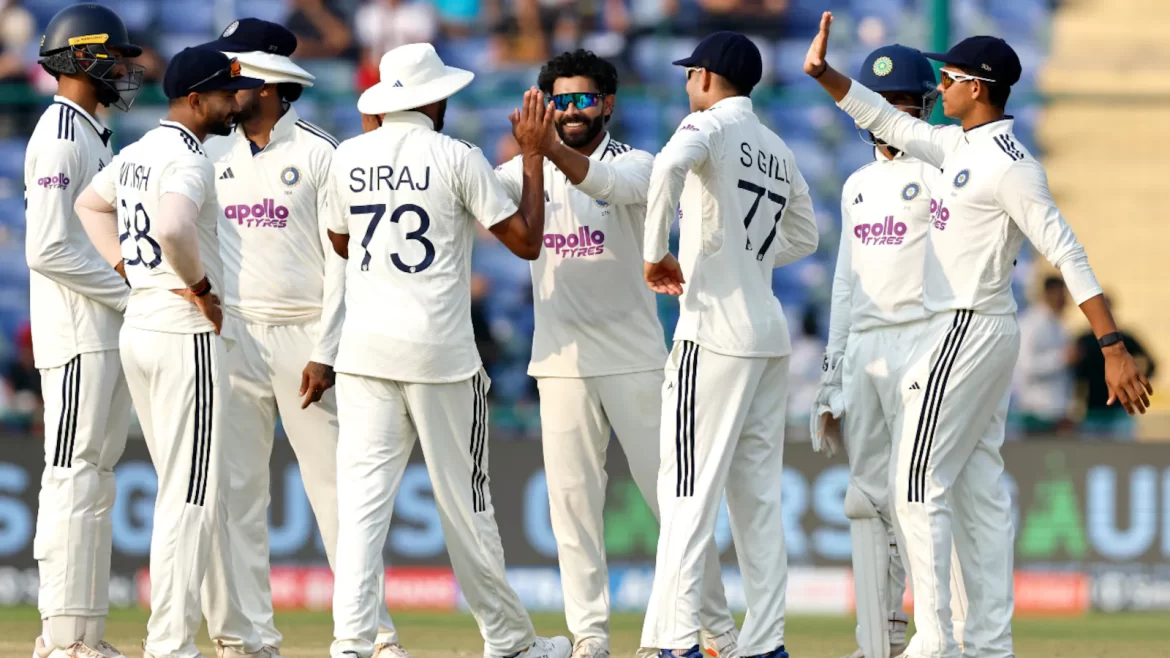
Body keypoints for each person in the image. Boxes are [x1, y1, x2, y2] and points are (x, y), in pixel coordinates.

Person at [804, 12, 1153, 658]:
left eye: (949, 77)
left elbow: (1067, 251)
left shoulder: (1011, 166)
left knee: (914, 482)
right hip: (971, 330)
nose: (940, 86)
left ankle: (934, 643)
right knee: (977, 487)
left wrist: (1111, 346)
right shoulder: (958, 146)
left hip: (968, 324)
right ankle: (989, 644)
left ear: (978, 87)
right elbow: (890, 122)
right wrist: (826, 75)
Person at [323, 43, 569, 658]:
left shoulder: (347, 156)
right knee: (467, 507)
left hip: (363, 353)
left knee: (361, 509)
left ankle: (351, 644)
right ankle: (509, 642)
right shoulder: (456, 155)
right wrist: (533, 158)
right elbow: (527, 241)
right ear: (433, 99)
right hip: (439, 355)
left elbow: (339, 238)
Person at [493, 49, 739, 658]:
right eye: (559, 101)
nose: (571, 111)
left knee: (672, 505)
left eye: (582, 100)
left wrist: (542, 149)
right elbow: (472, 198)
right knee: (573, 508)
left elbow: (601, 182)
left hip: (634, 360)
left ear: (607, 103)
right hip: (561, 362)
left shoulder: (641, 164)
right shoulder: (527, 171)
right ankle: (590, 637)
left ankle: (718, 632)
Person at [199, 19, 404, 658]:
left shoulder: (323, 154)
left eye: (236, 77)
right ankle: (251, 640)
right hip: (233, 335)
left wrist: (327, 349)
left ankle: (374, 638)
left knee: (338, 494)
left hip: (306, 338)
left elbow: (344, 261)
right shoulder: (209, 154)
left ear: (267, 86)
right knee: (236, 494)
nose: (225, 87)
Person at [75, 46, 271, 658]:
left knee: (184, 488)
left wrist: (129, 269)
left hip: (141, 325)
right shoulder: (189, 159)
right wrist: (201, 288)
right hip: (183, 331)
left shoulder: (136, 152)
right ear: (195, 100)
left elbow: (90, 204)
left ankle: (230, 635)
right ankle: (170, 644)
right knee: (191, 496)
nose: (234, 103)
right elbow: (175, 230)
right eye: (224, 94)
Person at [639, 31, 819, 658]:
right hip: (766, 333)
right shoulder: (776, 146)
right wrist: (749, 255)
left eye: (691, 74)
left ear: (710, 79)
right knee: (758, 502)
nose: (687, 84)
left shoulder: (708, 127)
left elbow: (665, 166)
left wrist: (656, 250)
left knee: (686, 492)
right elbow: (806, 235)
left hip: (712, 330)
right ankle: (766, 642)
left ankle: (678, 640)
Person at [809, 45, 973, 658]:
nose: (886, 118)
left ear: (926, 107)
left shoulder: (940, 172)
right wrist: (831, 377)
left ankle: (945, 637)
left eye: (901, 105)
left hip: (927, 342)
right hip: (867, 353)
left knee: (923, 497)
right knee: (864, 500)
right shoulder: (855, 185)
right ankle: (877, 639)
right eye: (879, 107)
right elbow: (846, 285)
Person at [26, 4, 143, 657]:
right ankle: (65, 639)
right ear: (86, 58)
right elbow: (46, 248)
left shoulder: (90, 133)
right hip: (78, 336)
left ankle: (82, 635)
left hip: (99, 332)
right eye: (117, 58)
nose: (125, 70)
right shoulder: (61, 135)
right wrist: (131, 293)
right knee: (74, 476)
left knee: (91, 477)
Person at [1073, 294, 1157, 439]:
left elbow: (1151, 363)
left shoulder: (1125, 338)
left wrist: (1136, 381)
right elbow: (1073, 372)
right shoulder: (1083, 340)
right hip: (1093, 409)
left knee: (1122, 456)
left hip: (1121, 410)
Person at [1013, 275, 1073, 434]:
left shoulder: (1058, 325)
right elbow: (1025, 365)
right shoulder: (1031, 323)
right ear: (1048, 294)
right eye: (1061, 295)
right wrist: (1062, 358)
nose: (1065, 300)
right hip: (1036, 412)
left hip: (1056, 413)